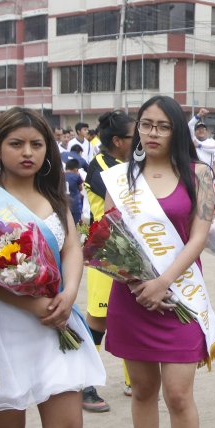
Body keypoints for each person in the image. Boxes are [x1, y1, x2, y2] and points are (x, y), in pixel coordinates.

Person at [0, 108, 105, 428]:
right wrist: (32, 306)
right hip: (4, 323)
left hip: (56, 319)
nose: (27, 152)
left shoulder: (54, 195)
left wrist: (70, 292)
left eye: (36, 144)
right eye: (16, 143)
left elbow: (72, 247)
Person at [101, 96, 215, 428]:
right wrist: (140, 285)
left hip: (180, 295)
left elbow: (199, 237)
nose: (152, 132)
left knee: (179, 395)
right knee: (143, 392)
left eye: (163, 126)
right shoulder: (121, 177)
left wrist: (163, 281)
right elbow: (110, 236)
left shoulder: (198, 173)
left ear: (176, 131)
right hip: (133, 298)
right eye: (146, 124)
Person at [81, 109, 135, 412]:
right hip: (106, 252)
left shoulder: (133, 163)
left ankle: (132, 380)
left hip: (133, 253)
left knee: (129, 316)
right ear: (117, 140)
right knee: (99, 320)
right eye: (134, 134)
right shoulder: (101, 164)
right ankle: (83, 383)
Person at [64, 158, 85, 224]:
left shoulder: (60, 175)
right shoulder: (76, 176)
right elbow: (81, 188)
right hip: (75, 205)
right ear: (76, 169)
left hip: (63, 204)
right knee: (76, 224)